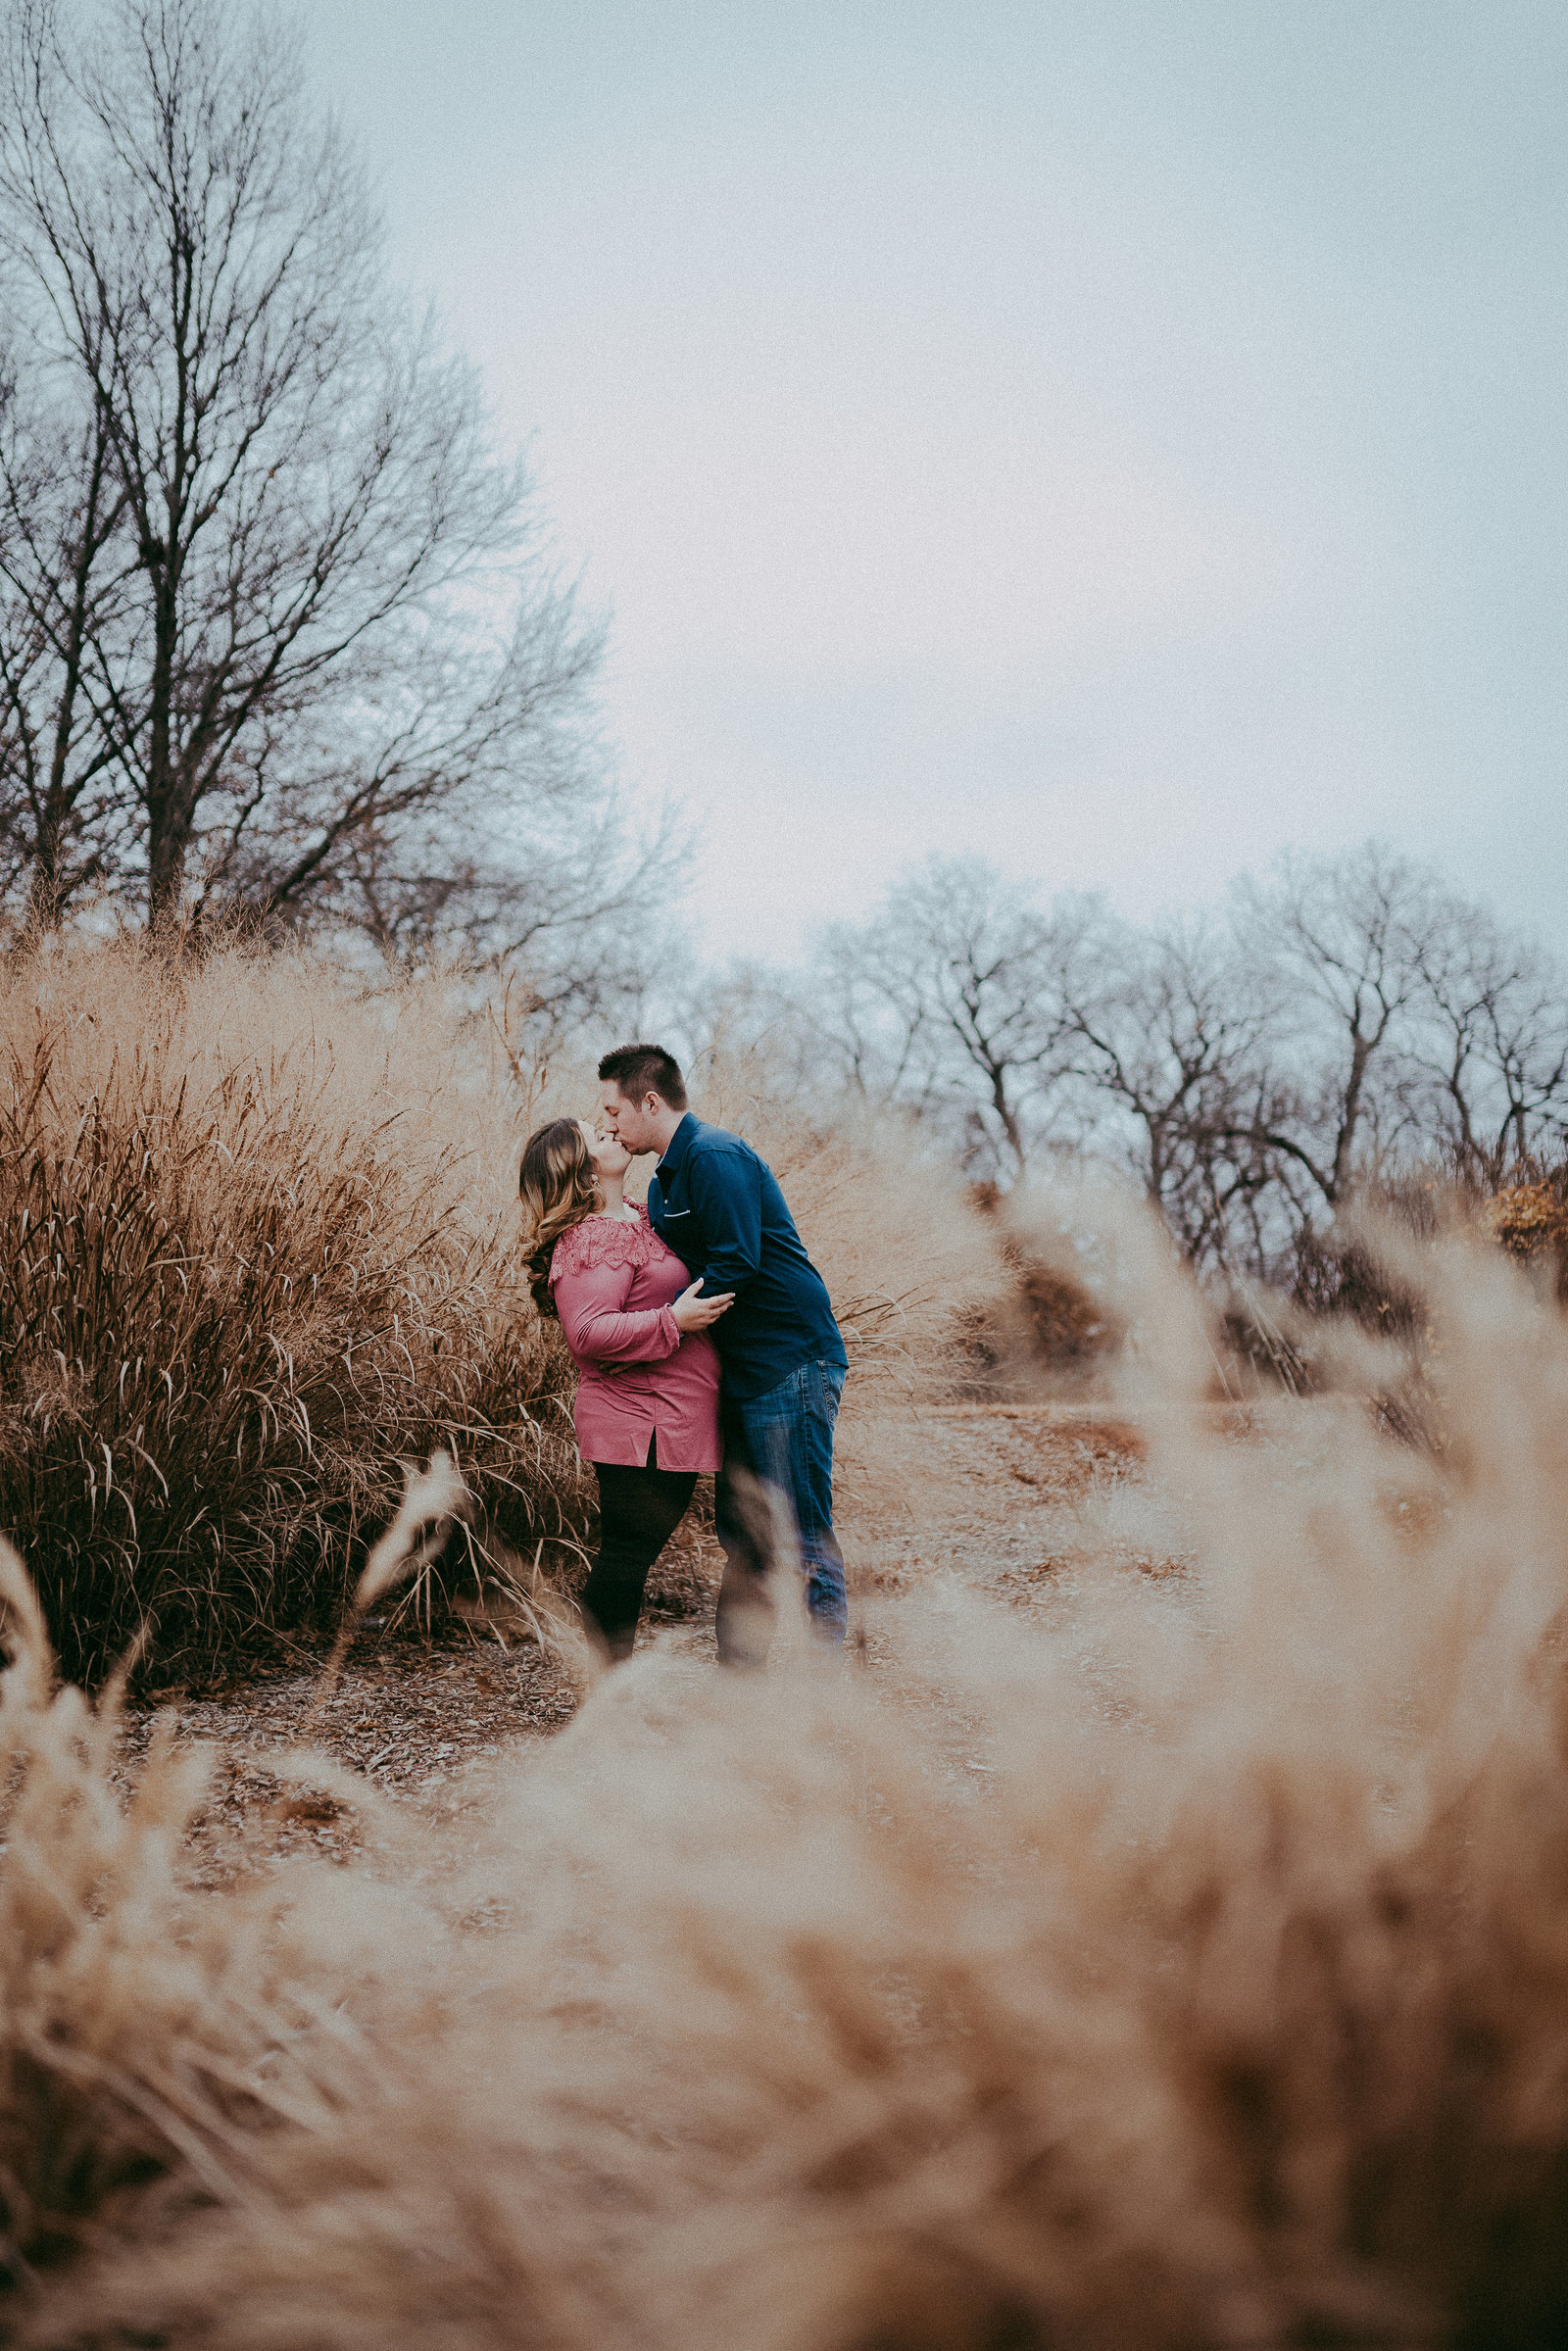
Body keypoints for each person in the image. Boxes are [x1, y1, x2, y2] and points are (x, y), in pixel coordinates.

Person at [598, 1044, 850, 1665]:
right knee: (744, 1532)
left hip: (791, 1361)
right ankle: (744, 1680)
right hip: (739, 1375)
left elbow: (738, 1261)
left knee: (801, 1527)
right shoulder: (663, 1181)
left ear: (650, 1101)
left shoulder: (714, 1154)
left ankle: (830, 1681)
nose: (607, 1125)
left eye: (613, 1110)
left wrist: (666, 1320)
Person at [518, 1116, 732, 1661]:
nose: (610, 1133)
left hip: (667, 1416)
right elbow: (587, 1334)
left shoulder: (636, 1215)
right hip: (639, 1421)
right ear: (583, 1173)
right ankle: (601, 1696)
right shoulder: (593, 1235)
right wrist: (673, 1321)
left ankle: (603, 1692)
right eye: (596, 1137)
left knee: (629, 1555)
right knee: (625, 1557)